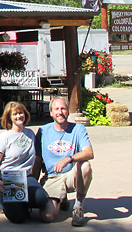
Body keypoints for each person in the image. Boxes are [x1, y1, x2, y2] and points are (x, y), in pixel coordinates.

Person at [33, 97, 94, 227]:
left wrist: (68, 159)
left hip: (71, 174)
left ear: (68, 111)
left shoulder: (78, 129)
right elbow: (37, 161)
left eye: (63, 109)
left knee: (85, 165)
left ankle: (78, 207)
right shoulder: (43, 131)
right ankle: (62, 199)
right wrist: (33, 185)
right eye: (56, 109)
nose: (60, 112)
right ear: (51, 113)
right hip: (52, 177)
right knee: (47, 216)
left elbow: (89, 153)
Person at [0, 101, 50, 223]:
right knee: (19, 218)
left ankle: (19, 202)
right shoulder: (4, 137)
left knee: (42, 198)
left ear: (25, 114)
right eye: (15, 114)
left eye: (21, 113)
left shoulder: (30, 134)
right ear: (9, 117)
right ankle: (3, 202)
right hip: (8, 178)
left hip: (26, 176)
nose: (19, 116)